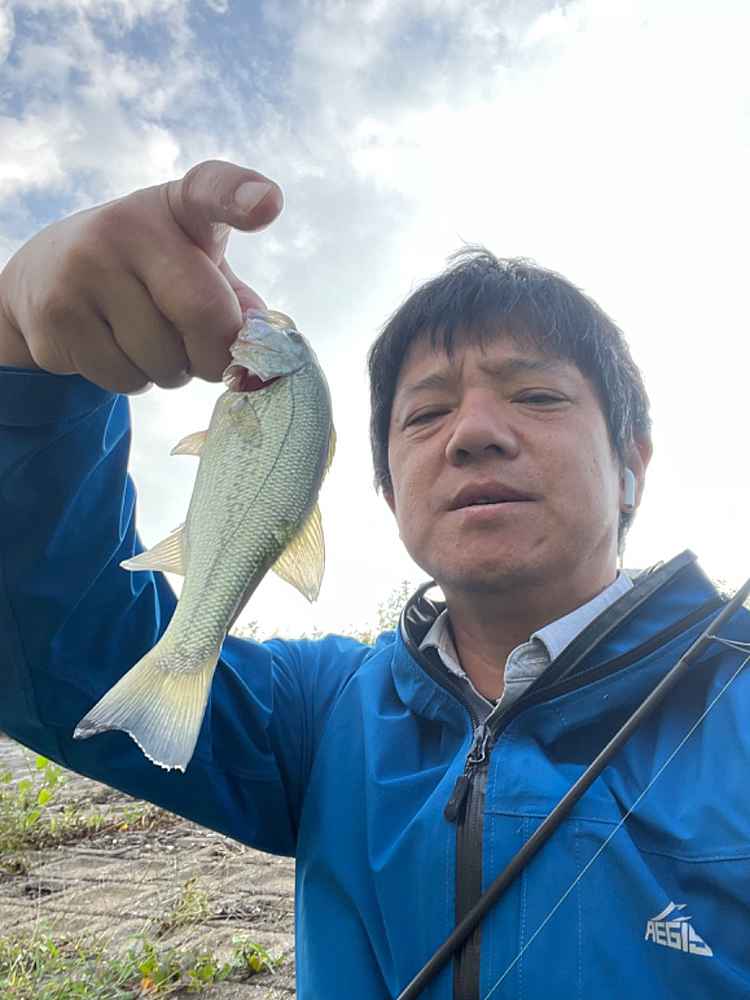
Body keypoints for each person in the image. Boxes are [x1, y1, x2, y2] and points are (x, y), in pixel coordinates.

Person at [0, 159, 748, 1000]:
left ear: (631, 466)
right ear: (390, 493)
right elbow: (51, 639)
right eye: (426, 413)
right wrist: (22, 367)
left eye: (537, 396)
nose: (473, 433)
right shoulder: (320, 715)